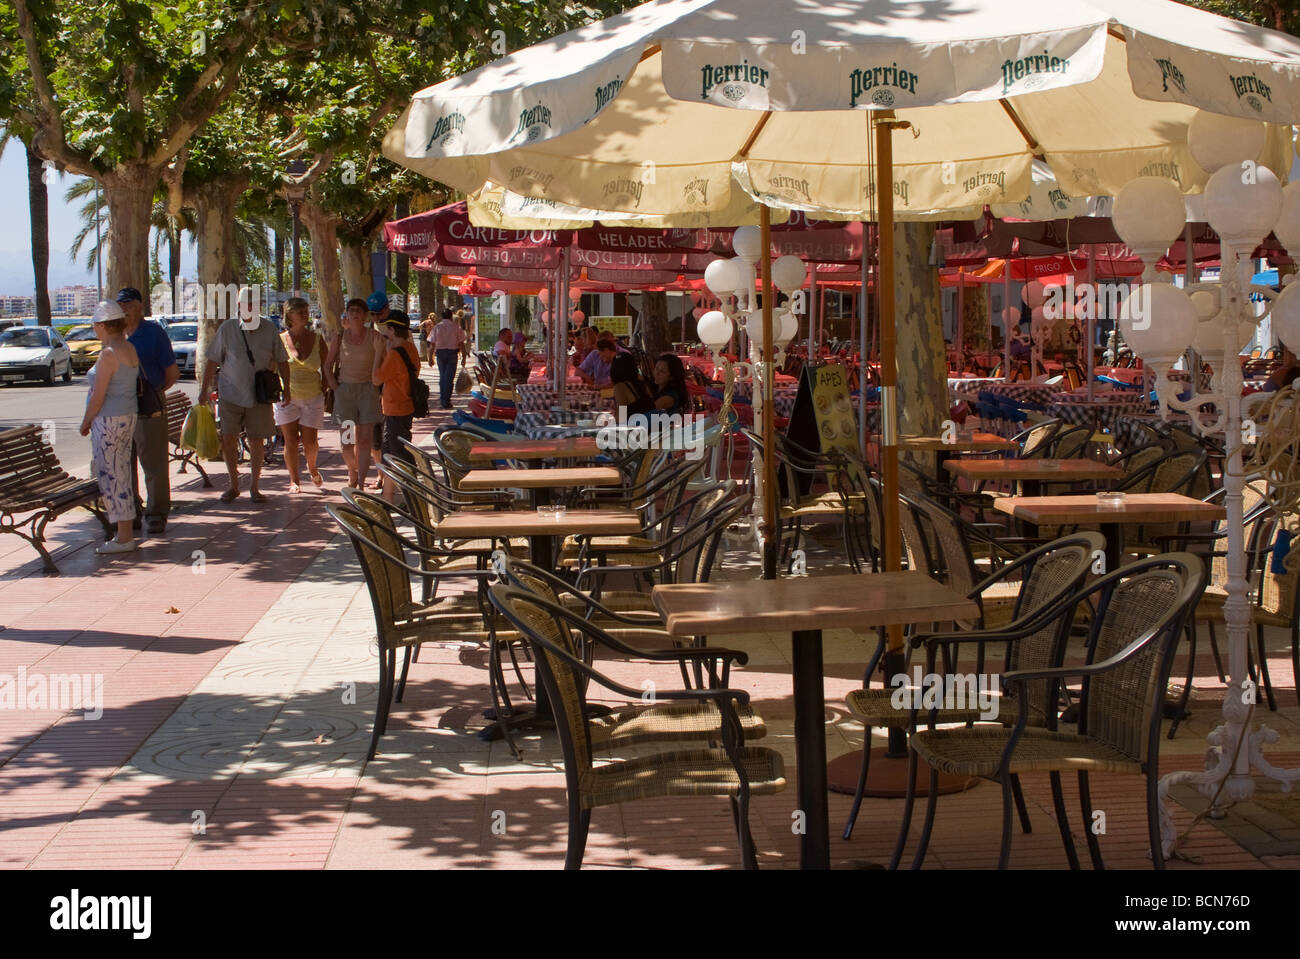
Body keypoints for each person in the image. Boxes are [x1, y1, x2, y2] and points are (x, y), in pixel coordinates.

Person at [201, 298, 291, 503]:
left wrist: (287, 389)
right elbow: (212, 359)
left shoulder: (269, 329)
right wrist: (204, 390)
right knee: (228, 438)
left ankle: (255, 487)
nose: (250, 308)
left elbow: (282, 360)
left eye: (255, 303)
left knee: (257, 439)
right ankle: (233, 485)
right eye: (246, 304)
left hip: (259, 394)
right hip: (230, 393)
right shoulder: (228, 328)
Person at [80, 301, 141, 554]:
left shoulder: (108, 354)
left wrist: (85, 422)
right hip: (127, 416)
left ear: (104, 325)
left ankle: (123, 537)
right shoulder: (129, 348)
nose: (94, 329)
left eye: (95, 324)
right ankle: (124, 532)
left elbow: (98, 396)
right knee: (121, 472)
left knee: (111, 475)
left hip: (108, 420)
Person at [117, 287, 178, 534]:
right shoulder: (115, 334)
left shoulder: (153, 333)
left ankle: (157, 513)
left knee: (153, 464)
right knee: (123, 463)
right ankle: (129, 510)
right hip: (119, 409)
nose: (124, 309)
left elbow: (171, 373)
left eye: (129, 304)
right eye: (120, 304)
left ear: (140, 306)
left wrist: (153, 394)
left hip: (148, 407)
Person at [326, 298, 384, 489]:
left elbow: (381, 368)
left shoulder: (375, 337)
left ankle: (360, 484)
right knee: (347, 442)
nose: (355, 314)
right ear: (347, 314)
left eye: (359, 311)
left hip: (368, 391)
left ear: (366, 315)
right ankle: (353, 471)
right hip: (345, 392)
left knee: (365, 439)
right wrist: (336, 388)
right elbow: (327, 366)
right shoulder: (340, 337)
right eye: (351, 310)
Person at [276, 297, 327, 493]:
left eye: (306, 311)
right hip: (287, 396)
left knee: (310, 442)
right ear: (289, 315)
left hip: (312, 395)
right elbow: (272, 368)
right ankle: (294, 480)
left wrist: (324, 389)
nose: (305, 315)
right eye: (300, 312)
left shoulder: (316, 338)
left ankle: (312, 467)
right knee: (290, 441)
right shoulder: (280, 340)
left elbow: (327, 366)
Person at [372, 312, 421, 504]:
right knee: (390, 453)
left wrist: (378, 352)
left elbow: (376, 378)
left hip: (394, 409)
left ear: (392, 330)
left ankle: (414, 498)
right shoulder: (410, 348)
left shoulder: (394, 354)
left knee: (398, 455)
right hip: (404, 406)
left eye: (387, 329)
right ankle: (388, 496)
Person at [431, 308, 466, 409]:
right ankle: (446, 400)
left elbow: (432, 344)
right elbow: (462, 343)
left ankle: (443, 399)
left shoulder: (437, 327)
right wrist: (464, 357)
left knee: (442, 376)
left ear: (441, 317)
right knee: (449, 377)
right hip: (452, 353)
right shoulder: (456, 327)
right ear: (451, 316)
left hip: (440, 353)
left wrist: (430, 357)